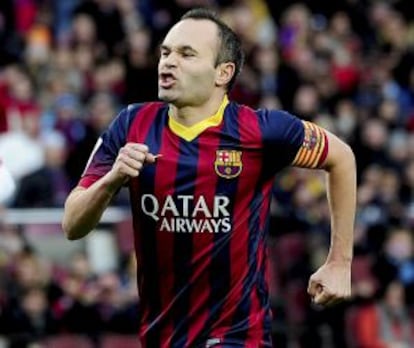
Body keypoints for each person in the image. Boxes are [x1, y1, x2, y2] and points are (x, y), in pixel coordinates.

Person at [62, 8, 356, 348]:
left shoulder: (261, 131)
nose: (169, 62)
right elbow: (72, 224)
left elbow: (341, 157)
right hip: (162, 336)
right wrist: (112, 180)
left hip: (238, 336)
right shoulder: (131, 125)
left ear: (223, 72)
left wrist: (339, 262)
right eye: (166, 52)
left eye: (187, 54)